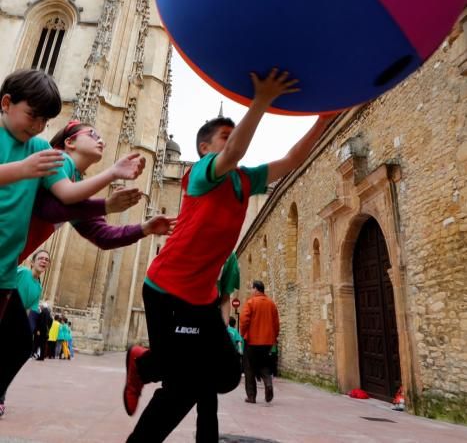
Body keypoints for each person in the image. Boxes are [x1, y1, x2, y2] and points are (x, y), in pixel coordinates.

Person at [126, 68, 329, 443]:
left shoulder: (245, 179)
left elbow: (291, 160)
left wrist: (324, 119)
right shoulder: (200, 174)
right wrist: (262, 99)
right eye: (224, 135)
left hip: (200, 299)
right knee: (183, 386)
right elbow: (235, 149)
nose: (232, 140)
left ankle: (146, 360)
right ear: (204, 148)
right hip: (167, 291)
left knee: (222, 372)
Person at [0, 69, 145, 409]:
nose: (38, 127)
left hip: (5, 270)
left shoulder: (39, 150)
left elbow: (69, 200)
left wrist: (137, 222)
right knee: (18, 340)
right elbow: (56, 207)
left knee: (18, 341)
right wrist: (24, 170)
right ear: (6, 103)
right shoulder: (46, 157)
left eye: (45, 121)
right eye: (33, 116)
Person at [19, 119, 176, 263]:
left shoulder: (76, 182)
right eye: (92, 134)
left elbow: (103, 236)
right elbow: (47, 209)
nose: (100, 140)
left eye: (102, 138)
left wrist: (145, 228)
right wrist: (106, 202)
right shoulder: (59, 158)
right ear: (70, 142)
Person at [123, 252, 241, 443]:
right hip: (182, 309)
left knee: (222, 379)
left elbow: (225, 297)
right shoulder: (192, 237)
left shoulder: (229, 255)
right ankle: (146, 363)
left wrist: (221, 332)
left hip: (207, 315)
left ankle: (145, 362)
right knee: (187, 388)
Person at [0, 249, 50, 417]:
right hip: (5, 315)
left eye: (47, 260)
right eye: (41, 258)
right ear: (32, 261)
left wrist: (27, 334)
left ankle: (0, 398)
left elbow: (31, 311)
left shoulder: (38, 287)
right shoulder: (22, 272)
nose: (43, 261)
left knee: (13, 358)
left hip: (15, 323)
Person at [240, 279, 280, 404]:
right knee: (263, 364)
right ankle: (268, 383)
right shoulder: (271, 304)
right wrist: (273, 337)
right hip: (268, 341)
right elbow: (276, 324)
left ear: (256, 289)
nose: (251, 290)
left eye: (252, 288)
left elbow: (244, 320)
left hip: (252, 341)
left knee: (249, 368)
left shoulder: (250, 302)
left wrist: (243, 334)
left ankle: (251, 396)